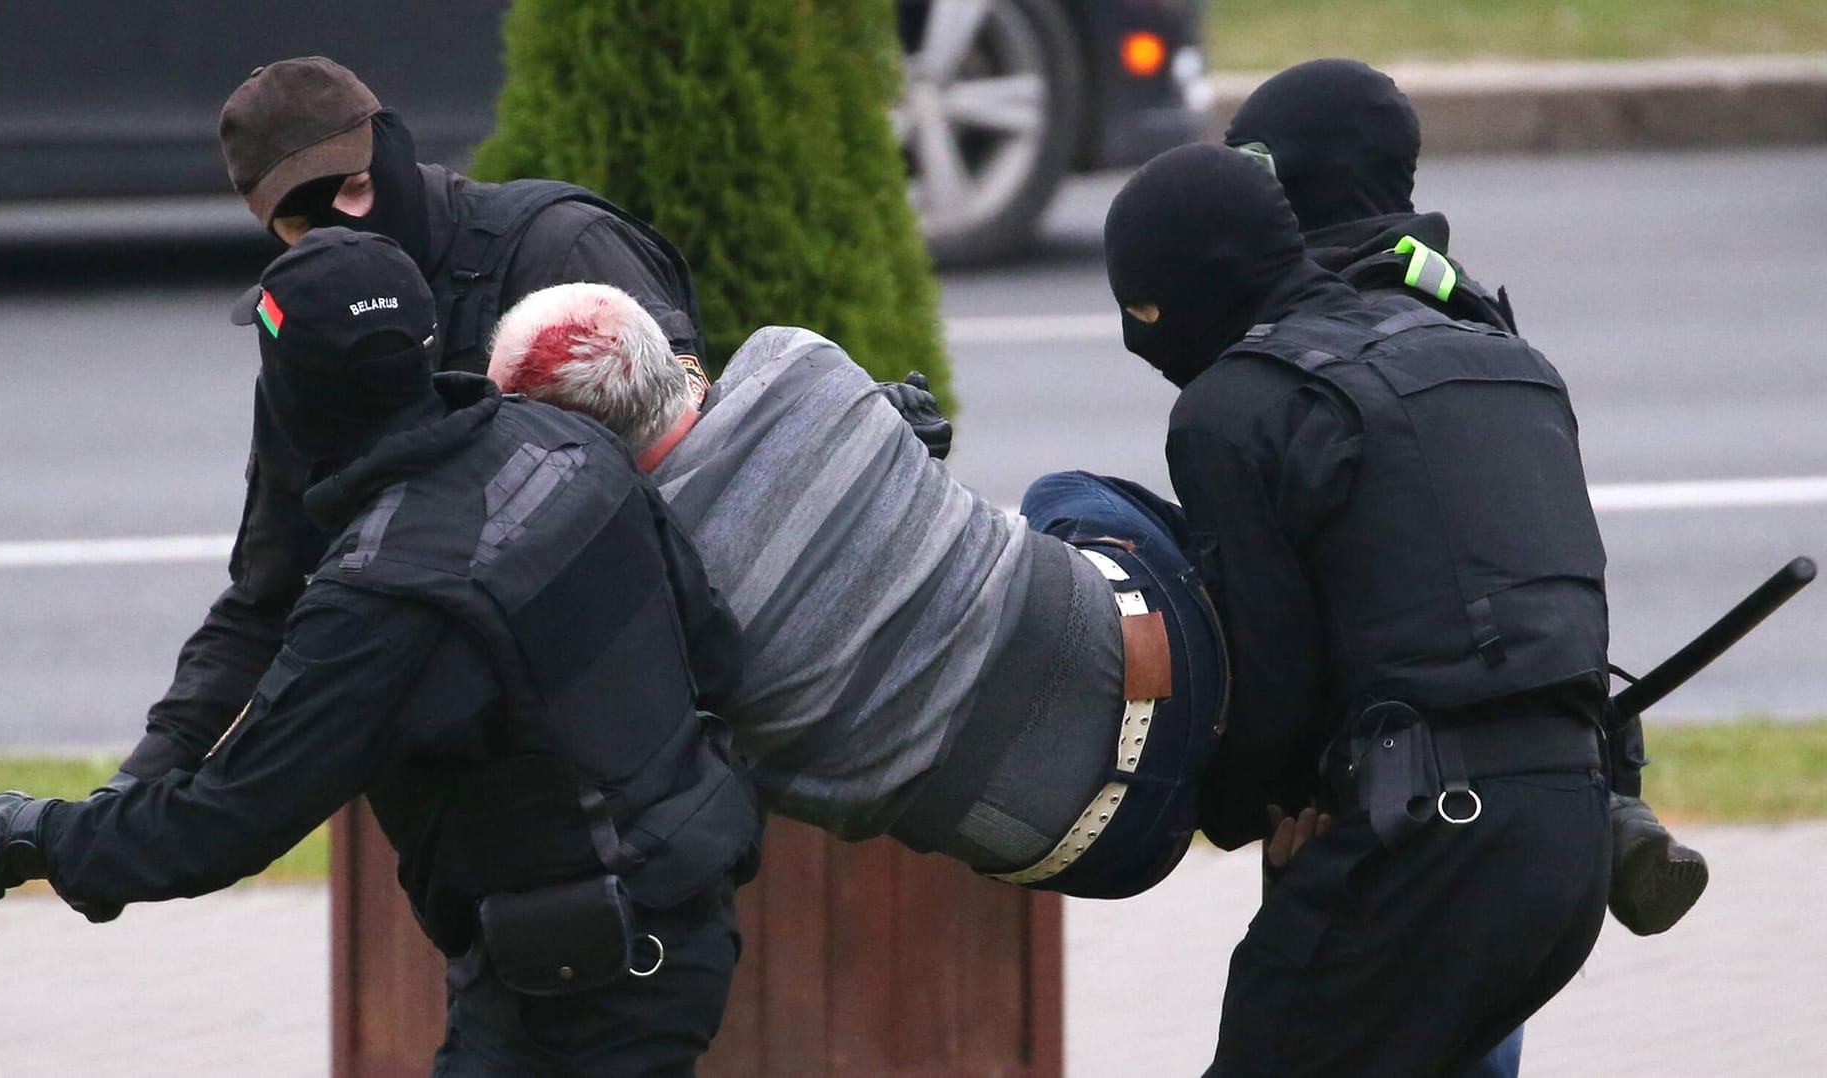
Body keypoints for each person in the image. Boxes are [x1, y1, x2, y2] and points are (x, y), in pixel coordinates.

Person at [0, 230, 761, 1075]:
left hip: (586, 995)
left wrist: (37, 835)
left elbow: (224, 821)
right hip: (667, 931)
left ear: (293, 394)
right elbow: (716, 655)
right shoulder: (559, 443)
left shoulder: (385, 596)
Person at [1105, 144, 1612, 1075]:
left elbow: (1275, 674)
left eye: (1143, 310)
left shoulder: (1233, 408)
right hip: (1575, 840)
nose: (1144, 341)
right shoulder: (1501, 359)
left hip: (1423, 854)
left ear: (1199, 284)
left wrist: (1240, 810)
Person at [483, 282, 1238, 900]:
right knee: (1066, 496)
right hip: (1190, 671)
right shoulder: (794, 363)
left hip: (1089, 850)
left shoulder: (644, 597)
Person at [110, 55, 711, 791]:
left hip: (637, 746)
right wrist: (146, 773)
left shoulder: (558, 248)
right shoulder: (315, 334)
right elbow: (270, 586)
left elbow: (689, 464)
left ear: (391, 144)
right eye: (304, 221)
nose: (345, 225)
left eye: (358, 188)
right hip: (464, 790)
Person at [1225, 56, 1707, 939]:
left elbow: (1295, 613)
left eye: (1252, 169)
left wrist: (1273, 790)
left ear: (1301, 180)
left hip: (1384, 807)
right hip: (1540, 779)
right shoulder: (1473, 320)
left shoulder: (1311, 349)